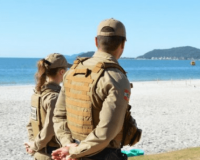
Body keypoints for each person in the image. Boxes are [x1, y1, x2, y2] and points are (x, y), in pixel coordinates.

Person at [52, 18, 131, 160]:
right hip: (100, 155)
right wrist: (74, 151)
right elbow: (106, 132)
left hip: (74, 151)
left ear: (96, 41)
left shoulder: (72, 71)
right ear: (123, 44)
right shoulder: (116, 78)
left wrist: (68, 144)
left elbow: (59, 115)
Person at [25, 53, 70, 160]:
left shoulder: (37, 94)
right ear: (62, 72)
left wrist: (33, 144)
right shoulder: (55, 97)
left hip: (39, 153)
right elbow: (50, 129)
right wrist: (35, 146)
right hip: (52, 154)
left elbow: (31, 124)